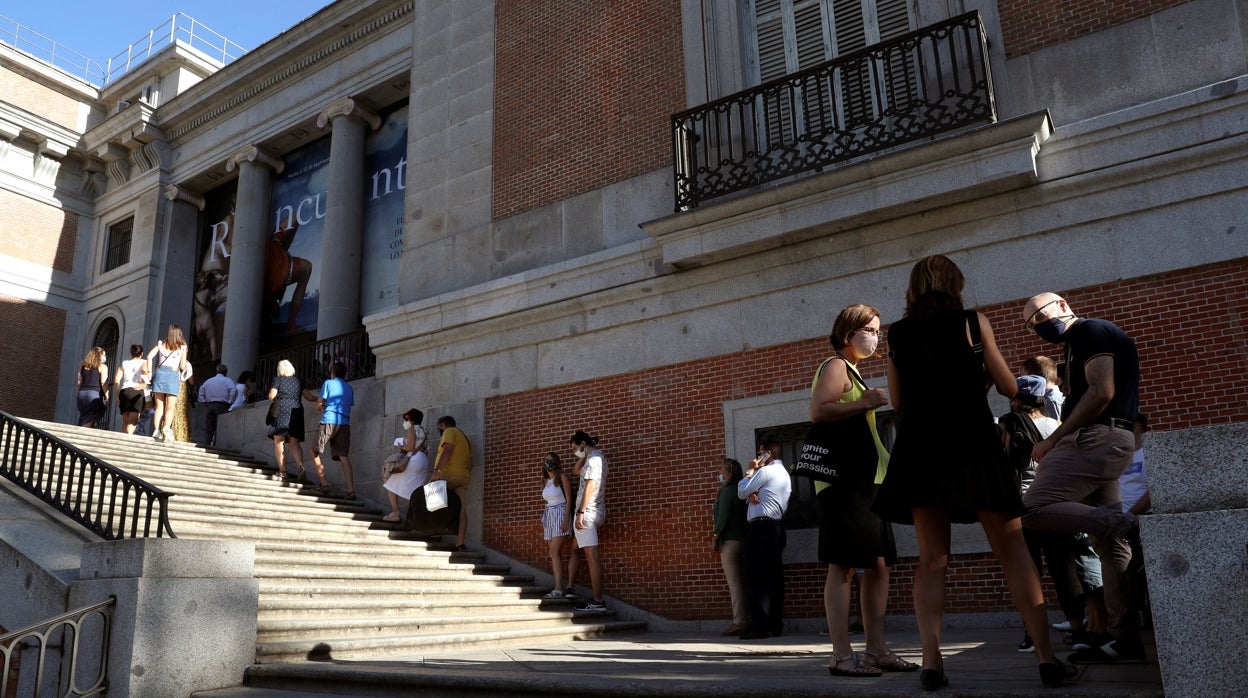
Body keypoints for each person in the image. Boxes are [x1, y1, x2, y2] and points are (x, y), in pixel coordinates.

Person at [873, 255, 1075, 690]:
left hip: (922, 448)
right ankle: (1046, 657)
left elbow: (898, 401)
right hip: (972, 442)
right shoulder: (971, 321)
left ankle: (931, 662)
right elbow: (1007, 386)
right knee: (1014, 550)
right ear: (954, 285)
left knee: (931, 561)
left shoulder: (898, 333)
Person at [1019, 292, 1144, 665]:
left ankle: (1123, 522)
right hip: (1107, 441)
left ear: (1061, 305)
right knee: (1110, 546)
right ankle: (1124, 639)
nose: (1038, 326)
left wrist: (1054, 439)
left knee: (1031, 508)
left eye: (1040, 316)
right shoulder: (1078, 343)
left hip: (1094, 439)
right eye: (1031, 325)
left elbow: (1101, 391)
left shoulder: (1089, 331)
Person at [810, 304, 915, 676]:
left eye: (877, 329)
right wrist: (867, 400)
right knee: (843, 566)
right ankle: (841, 655)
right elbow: (819, 411)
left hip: (869, 482)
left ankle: (876, 650)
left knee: (879, 566)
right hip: (844, 484)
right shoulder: (835, 365)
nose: (875, 336)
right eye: (869, 329)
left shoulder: (852, 371)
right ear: (847, 333)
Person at [1002, 374, 1087, 654]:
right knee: (1065, 571)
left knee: (1028, 573)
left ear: (1016, 399)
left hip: (1022, 508)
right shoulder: (1058, 426)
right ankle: (1078, 630)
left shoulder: (1008, 423)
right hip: (1054, 505)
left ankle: (1032, 636)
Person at [736, 436, 791, 640]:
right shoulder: (783, 473)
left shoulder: (766, 471)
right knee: (774, 579)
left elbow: (741, 491)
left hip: (761, 528)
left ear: (769, 453)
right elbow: (752, 493)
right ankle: (775, 624)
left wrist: (750, 471)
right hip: (775, 527)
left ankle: (760, 625)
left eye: (760, 453)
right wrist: (753, 492)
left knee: (756, 577)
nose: (758, 457)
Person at [566, 430, 608, 612]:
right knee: (574, 548)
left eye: (576, 448)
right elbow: (576, 471)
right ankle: (572, 587)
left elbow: (590, 485)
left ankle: (598, 601)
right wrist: (584, 453)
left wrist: (581, 512)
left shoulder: (593, 461)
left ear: (583, 443)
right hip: (594, 511)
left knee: (592, 558)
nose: (575, 452)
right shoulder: (597, 458)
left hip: (587, 513)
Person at [304, 361, 355, 498]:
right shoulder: (349, 388)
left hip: (329, 420)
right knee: (343, 456)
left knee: (314, 451)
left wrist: (323, 405)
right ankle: (350, 490)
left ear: (332, 372)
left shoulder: (328, 383)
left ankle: (324, 484)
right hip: (344, 423)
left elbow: (319, 405)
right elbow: (348, 404)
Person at [712, 457, 749, 636]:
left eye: (721, 470)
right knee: (743, 582)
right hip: (743, 539)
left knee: (734, 584)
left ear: (728, 473)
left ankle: (739, 621)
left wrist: (715, 536)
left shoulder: (727, 491)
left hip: (730, 542)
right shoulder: (742, 490)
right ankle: (745, 618)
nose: (719, 473)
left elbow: (723, 518)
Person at [431, 415, 473, 550]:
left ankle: (433, 532)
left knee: (432, 499)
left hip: (448, 474)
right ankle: (460, 543)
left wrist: (437, 470)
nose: (440, 430)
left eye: (439, 427)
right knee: (462, 510)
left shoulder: (449, 432)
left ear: (443, 425)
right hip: (463, 477)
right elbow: (471, 462)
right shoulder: (465, 438)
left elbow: (447, 451)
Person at [382, 408, 431, 523]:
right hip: (423, 460)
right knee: (416, 490)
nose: (406, 421)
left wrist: (400, 446)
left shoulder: (412, 429)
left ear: (411, 419)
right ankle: (418, 519)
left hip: (413, 459)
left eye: (407, 419)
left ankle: (395, 513)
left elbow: (410, 447)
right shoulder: (424, 430)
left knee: (390, 483)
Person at [539, 451, 574, 599]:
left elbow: (569, 499)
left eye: (551, 460)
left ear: (557, 462)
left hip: (560, 513)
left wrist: (566, 519)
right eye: (546, 460)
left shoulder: (562, 477)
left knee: (553, 552)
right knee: (554, 554)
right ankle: (558, 586)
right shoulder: (545, 481)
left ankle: (558, 588)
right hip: (549, 515)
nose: (548, 463)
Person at [267, 359, 308, 482]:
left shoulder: (278, 380)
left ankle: (282, 471)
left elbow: (271, 396)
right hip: (297, 411)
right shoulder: (299, 381)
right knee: (294, 442)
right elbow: (308, 396)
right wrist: (320, 400)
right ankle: (301, 466)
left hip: (282, 410)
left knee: (279, 441)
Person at [146, 325, 189, 442]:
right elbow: (182, 366)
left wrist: (150, 372)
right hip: (173, 374)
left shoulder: (161, 344)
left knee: (159, 406)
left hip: (160, 373)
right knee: (170, 406)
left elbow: (149, 356)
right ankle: (166, 427)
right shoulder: (182, 347)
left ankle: (156, 431)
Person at [198, 364, 238, 446]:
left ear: (217, 371)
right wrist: (230, 401)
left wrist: (204, 401)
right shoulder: (227, 380)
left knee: (209, 427)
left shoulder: (208, 381)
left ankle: (207, 444)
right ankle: (216, 445)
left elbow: (201, 391)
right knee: (220, 427)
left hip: (210, 406)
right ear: (226, 372)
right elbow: (233, 390)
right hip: (222, 406)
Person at [113, 344, 148, 434]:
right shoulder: (144, 362)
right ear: (142, 353)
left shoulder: (124, 363)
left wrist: (117, 395)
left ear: (131, 353)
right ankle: (128, 437)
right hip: (136, 391)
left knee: (125, 421)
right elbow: (144, 370)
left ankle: (123, 439)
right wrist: (144, 383)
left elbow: (116, 379)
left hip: (124, 391)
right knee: (133, 420)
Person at [1022, 355, 1065, 422]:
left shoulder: (1049, 402)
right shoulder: (1050, 397)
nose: (1023, 384)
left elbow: (1053, 429)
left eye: (1025, 379)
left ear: (1035, 379)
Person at [76, 346, 109, 428]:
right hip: (94, 394)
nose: (105, 357)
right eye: (104, 355)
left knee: (84, 416)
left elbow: (79, 383)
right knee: (90, 418)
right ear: (99, 356)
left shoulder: (83, 366)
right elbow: (103, 382)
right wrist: (107, 396)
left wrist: (79, 394)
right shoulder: (102, 367)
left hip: (82, 394)